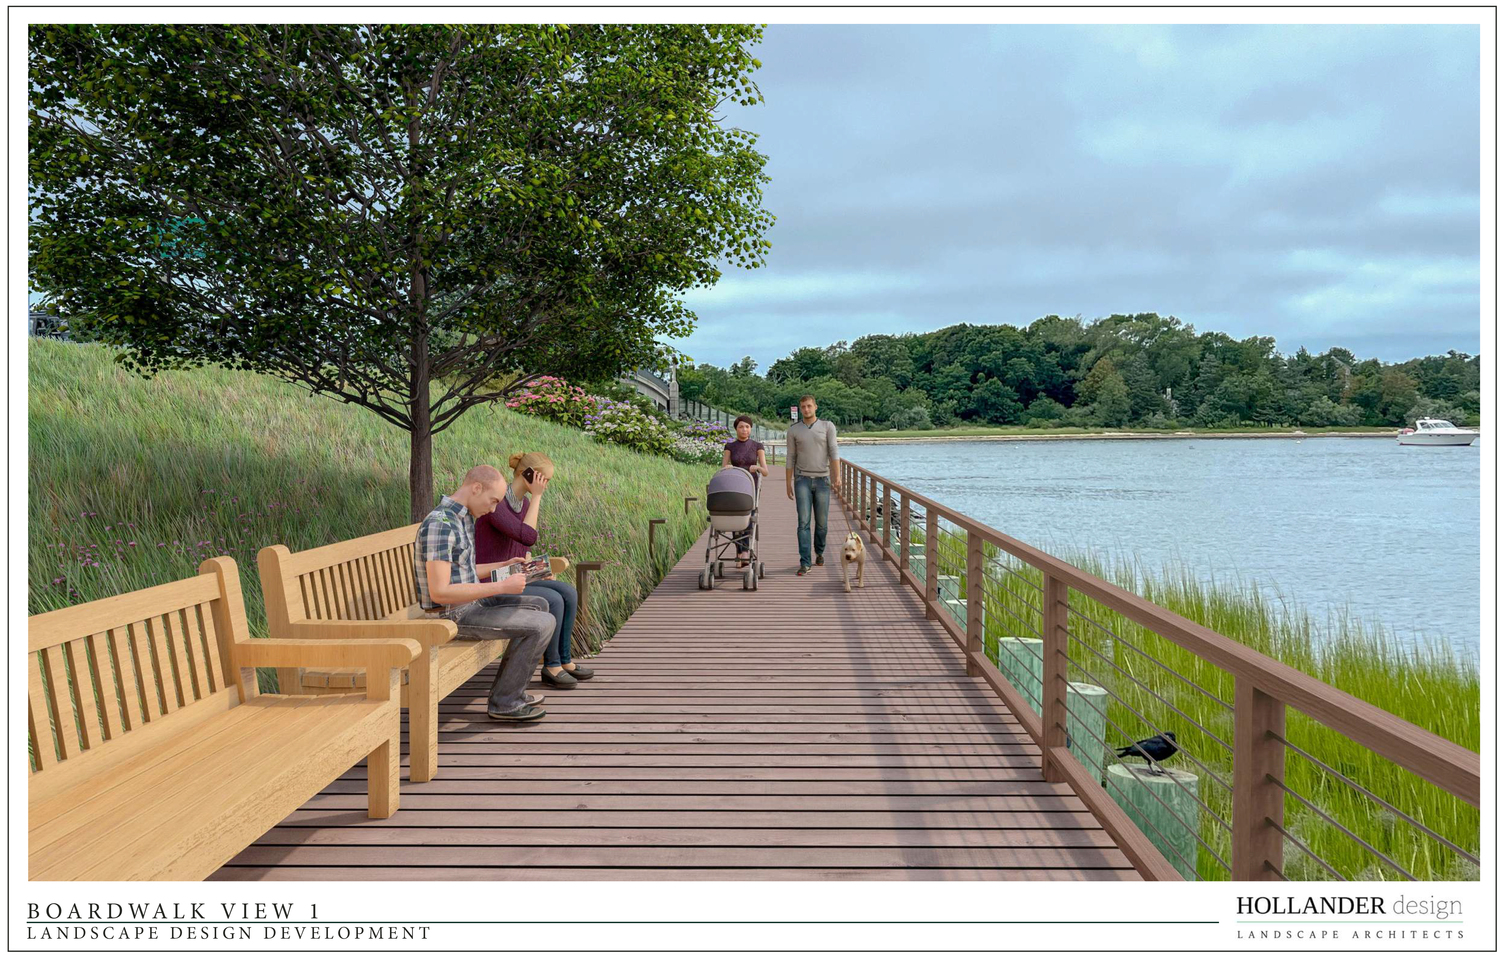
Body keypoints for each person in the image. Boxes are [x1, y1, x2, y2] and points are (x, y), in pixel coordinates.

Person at [414, 465, 555, 721]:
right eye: (492, 501)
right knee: (543, 623)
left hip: (469, 603)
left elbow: (464, 570)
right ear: (476, 488)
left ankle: (513, 691)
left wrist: (501, 566)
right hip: (452, 615)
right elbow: (440, 592)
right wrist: (501, 586)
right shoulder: (441, 525)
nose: (492, 509)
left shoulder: (462, 518)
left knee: (540, 605)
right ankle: (505, 703)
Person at [475, 452, 594, 690]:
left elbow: (521, 549)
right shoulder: (496, 504)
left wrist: (538, 570)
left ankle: (564, 660)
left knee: (568, 593)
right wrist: (538, 496)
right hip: (491, 581)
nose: (545, 486)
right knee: (552, 599)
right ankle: (551, 666)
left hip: (512, 575)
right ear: (528, 475)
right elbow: (528, 537)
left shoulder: (524, 504)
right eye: (544, 480)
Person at [785, 394, 841, 575]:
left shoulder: (827, 426)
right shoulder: (794, 430)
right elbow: (790, 457)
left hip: (823, 479)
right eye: (803, 407)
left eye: (809, 406)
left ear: (815, 407)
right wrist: (788, 482)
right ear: (800, 409)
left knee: (822, 523)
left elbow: (833, 451)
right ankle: (805, 562)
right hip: (802, 479)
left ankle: (820, 551)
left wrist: (837, 477)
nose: (806, 410)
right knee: (803, 522)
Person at [722, 415, 768, 567]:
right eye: (741, 427)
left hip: (751, 485)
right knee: (735, 516)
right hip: (735, 485)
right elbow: (723, 467)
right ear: (736, 429)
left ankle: (746, 551)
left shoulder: (757, 446)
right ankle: (739, 551)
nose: (744, 430)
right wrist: (727, 467)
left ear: (751, 429)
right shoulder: (730, 446)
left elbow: (765, 471)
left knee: (748, 516)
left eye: (747, 427)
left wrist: (758, 468)